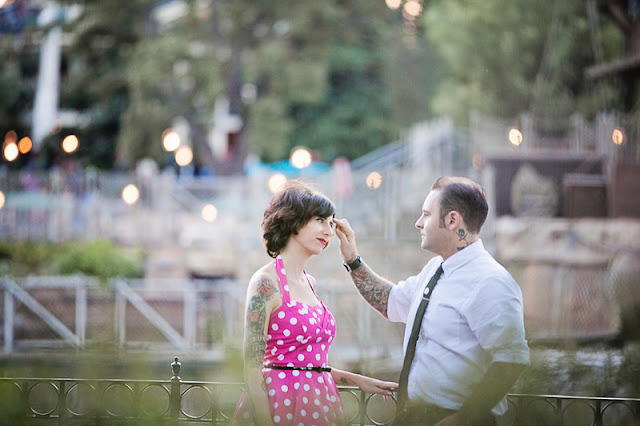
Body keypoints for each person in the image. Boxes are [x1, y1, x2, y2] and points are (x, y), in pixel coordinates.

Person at [334, 176, 530, 426]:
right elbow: (391, 302)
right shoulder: (435, 268)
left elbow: (512, 359)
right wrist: (353, 260)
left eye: (426, 214)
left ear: (452, 220)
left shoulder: (491, 281)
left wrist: (461, 419)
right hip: (413, 416)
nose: (418, 223)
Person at [232, 180, 397, 426]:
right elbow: (253, 368)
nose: (329, 232)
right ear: (294, 221)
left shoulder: (310, 282)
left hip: (320, 402)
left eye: (332, 223)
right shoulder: (265, 283)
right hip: (281, 405)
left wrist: (356, 380)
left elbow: (305, 364)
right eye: (320, 220)